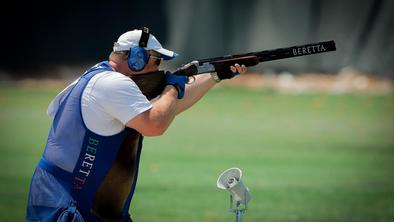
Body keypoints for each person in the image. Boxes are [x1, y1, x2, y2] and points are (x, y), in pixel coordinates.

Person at [25, 27, 247, 222]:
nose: (160, 68)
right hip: (70, 201)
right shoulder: (113, 84)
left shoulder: (102, 77)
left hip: (73, 197)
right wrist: (172, 88)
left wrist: (215, 76)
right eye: (156, 61)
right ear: (137, 58)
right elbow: (155, 124)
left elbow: (168, 109)